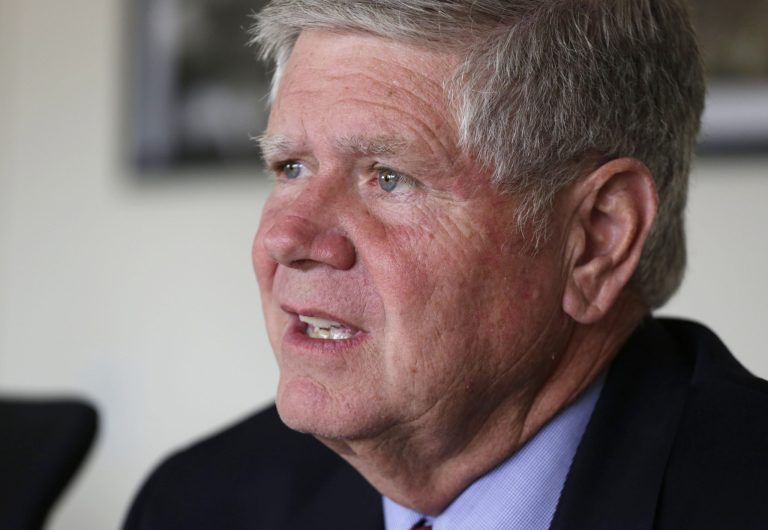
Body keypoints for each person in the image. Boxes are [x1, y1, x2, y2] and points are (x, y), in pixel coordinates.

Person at [124, 1, 768, 529]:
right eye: (291, 167)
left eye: (388, 178)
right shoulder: (196, 505)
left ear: (598, 239)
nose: (285, 237)